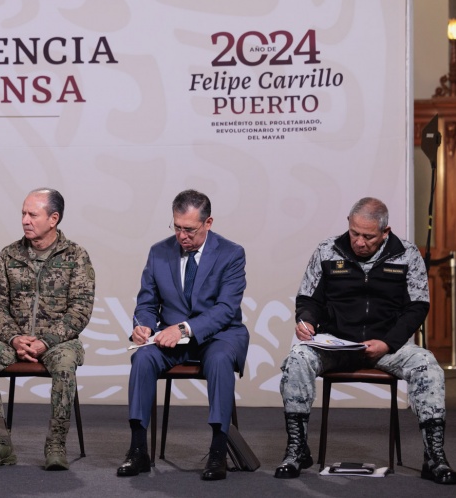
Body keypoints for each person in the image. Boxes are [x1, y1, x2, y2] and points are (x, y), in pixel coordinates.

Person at [276, 197, 455, 485]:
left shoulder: (407, 254)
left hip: (387, 347)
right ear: (349, 224)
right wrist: (306, 320)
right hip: (336, 345)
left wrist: (388, 343)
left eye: (368, 237)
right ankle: (297, 450)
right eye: (354, 233)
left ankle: (434, 456)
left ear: (385, 232)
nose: (359, 242)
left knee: (428, 365)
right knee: (297, 358)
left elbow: (417, 306)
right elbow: (309, 299)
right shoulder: (327, 250)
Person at [117, 189, 248, 481]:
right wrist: (144, 326)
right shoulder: (159, 252)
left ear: (208, 223)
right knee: (143, 359)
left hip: (218, 336)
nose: (181, 236)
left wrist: (184, 328)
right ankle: (138, 449)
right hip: (171, 338)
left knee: (219, 360)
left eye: (189, 229)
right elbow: (146, 303)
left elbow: (226, 309)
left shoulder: (231, 253)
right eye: (176, 227)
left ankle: (218, 450)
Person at [0, 188, 95, 471]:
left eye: (32, 214)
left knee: (65, 365)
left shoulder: (76, 256)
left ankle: (56, 444)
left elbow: (80, 309)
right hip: (14, 340)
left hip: (60, 342)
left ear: (53, 219)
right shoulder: (9, 254)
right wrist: (14, 338)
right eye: (23, 213)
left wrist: (46, 341)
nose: (25, 220)